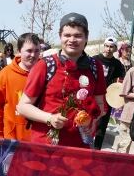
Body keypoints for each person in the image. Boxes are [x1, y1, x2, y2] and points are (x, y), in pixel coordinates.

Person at [17, 12, 107, 148]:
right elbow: (23, 106)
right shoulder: (45, 65)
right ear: (60, 36)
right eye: (67, 35)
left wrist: (93, 119)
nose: (72, 40)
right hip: (46, 145)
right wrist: (49, 118)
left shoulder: (95, 67)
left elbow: (100, 104)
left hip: (79, 146)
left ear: (86, 37)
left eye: (78, 36)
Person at [0, 32, 41, 141]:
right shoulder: (6, 74)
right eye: (29, 51)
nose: (33, 55)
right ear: (19, 51)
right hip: (12, 140)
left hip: (40, 139)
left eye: (37, 51)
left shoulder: (46, 73)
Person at [93, 36, 127, 149]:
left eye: (111, 47)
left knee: (102, 124)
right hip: (92, 95)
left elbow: (123, 79)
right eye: (107, 46)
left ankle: (97, 149)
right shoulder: (94, 59)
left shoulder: (116, 64)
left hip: (107, 97)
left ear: (115, 49)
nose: (108, 49)